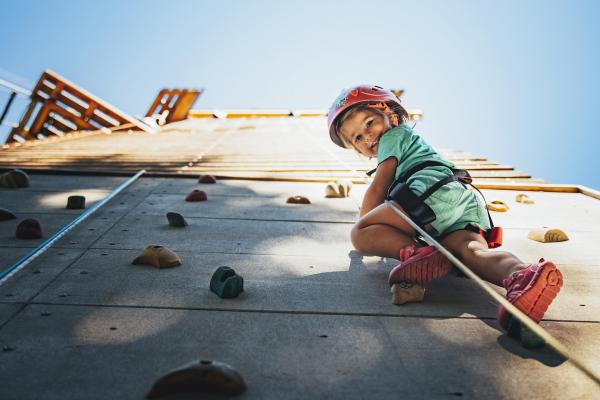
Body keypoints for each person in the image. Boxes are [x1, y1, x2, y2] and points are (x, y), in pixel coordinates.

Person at [327, 84, 563, 329]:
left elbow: (379, 185)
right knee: (472, 252)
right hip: (462, 201)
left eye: (369, 123)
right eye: (357, 137)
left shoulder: (393, 136)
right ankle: (522, 276)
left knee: (361, 233)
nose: (367, 136)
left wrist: (368, 223)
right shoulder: (407, 144)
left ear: (390, 114)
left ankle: (417, 254)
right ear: (356, 149)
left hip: (427, 192)